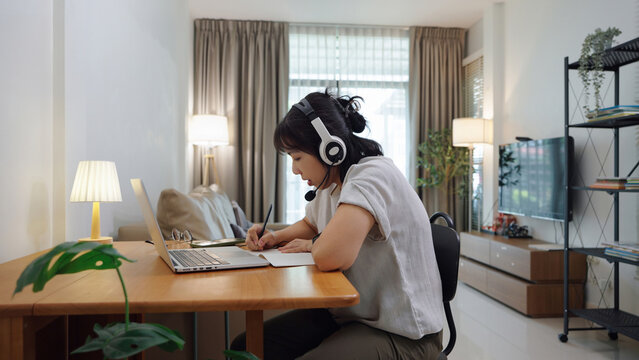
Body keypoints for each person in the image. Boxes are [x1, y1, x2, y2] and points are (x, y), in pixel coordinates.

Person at [231, 90, 444, 360]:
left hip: (404, 333)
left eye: (297, 158)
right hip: (355, 316)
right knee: (245, 347)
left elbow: (331, 256)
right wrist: (275, 236)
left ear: (329, 149)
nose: (295, 170)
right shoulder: (333, 185)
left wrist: (312, 245)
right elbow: (311, 222)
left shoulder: (372, 177)